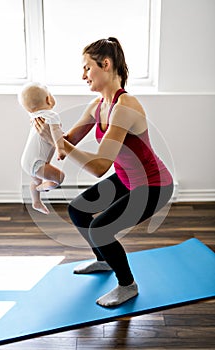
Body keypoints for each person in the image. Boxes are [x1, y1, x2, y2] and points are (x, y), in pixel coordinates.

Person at [35, 37, 173, 306]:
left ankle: (127, 285)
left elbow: (99, 167)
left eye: (87, 68)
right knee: (78, 209)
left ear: (106, 64)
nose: (83, 75)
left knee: (101, 229)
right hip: (126, 178)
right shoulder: (98, 105)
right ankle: (103, 260)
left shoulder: (126, 108)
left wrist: (59, 143)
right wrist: (46, 124)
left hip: (153, 185)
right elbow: (68, 141)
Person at [19, 82, 66, 215]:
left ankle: (36, 202)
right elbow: (56, 132)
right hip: (38, 164)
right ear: (48, 99)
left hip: (27, 161)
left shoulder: (34, 117)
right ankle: (42, 188)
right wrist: (60, 149)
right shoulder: (52, 115)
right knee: (60, 177)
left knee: (35, 179)